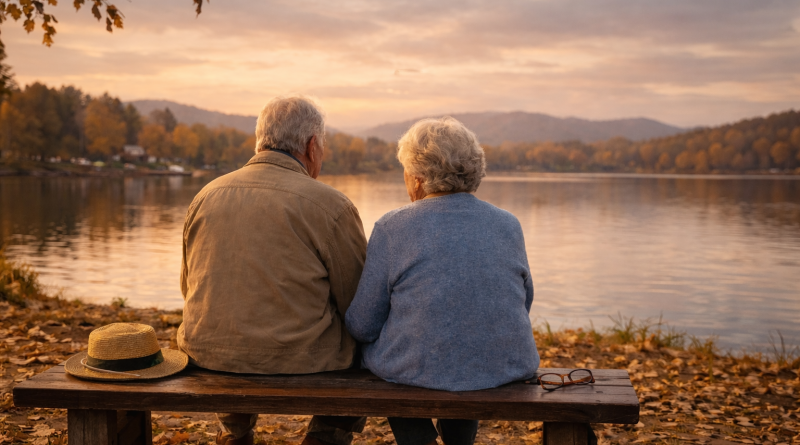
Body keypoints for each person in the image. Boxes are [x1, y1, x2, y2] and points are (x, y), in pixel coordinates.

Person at [178, 96, 368, 445]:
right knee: (366, 346)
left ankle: (234, 433)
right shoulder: (331, 206)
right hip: (302, 361)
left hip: (207, 353)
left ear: (260, 140)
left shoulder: (205, 196)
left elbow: (188, 285)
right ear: (312, 146)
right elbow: (357, 303)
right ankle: (324, 437)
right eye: (322, 148)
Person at [345, 117, 540, 445]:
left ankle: (418, 439)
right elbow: (525, 299)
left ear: (418, 177)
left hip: (415, 371)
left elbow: (363, 324)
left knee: (400, 362)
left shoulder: (394, 227)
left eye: (405, 170)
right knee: (457, 349)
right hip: (504, 366)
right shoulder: (509, 224)